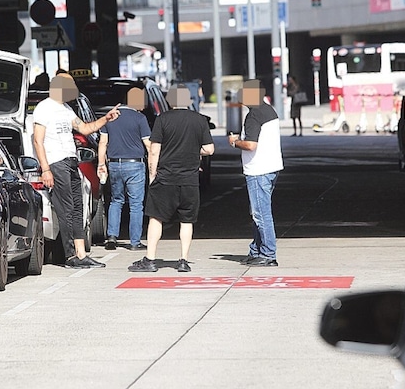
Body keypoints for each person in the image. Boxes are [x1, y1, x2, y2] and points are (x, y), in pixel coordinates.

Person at [33, 73, 120, 269]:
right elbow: (38, 140)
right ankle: (70, 255)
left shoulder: (66, 109)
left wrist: (106, 119)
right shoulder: (44, 108)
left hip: (72, 162)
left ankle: (81, 254)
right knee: (66, 209)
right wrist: (45, 169)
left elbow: (85, 129)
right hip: (56, 162)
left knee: (78, 208)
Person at [128, 84, 215, 273]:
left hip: (166, 178)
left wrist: (152, 175)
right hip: (190, 180)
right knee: (186, 220)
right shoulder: (199, 120)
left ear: (170, 100)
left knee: (156, 218)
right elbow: (209, 149)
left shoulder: (162, 119)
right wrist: (193, 151)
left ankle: (150, 259)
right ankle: (183, 260)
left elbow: (154, 149)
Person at [228, 79, 284, 267]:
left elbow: (251, 145)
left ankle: (268, 253)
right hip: (271, 166)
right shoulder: (269, 110)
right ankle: (256, 249)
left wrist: (235, 142)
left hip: (258, 169)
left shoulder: (253, 116)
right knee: (258, 211)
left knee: (260, 213)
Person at [97, 87, 151, 251]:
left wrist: (101, 164)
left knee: (116, 200)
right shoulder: (140, 118)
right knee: (136, 204)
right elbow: (148, 144)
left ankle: (112, 237)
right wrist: (154, 165)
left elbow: (102, 143)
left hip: (114, 164)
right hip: (135, 165)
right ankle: (135, 242)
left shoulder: (111, 117)